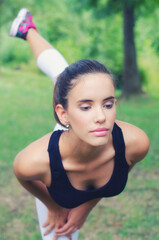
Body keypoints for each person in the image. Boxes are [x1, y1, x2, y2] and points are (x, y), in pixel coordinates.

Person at [10, 8, 150, 240]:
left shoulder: (135, 143)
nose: (101, 117)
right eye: (86, 107)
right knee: (66, 81)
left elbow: (113, 177)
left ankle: (26, 29)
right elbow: (23, 176)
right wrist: (53, 205)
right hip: (66, 145)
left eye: (108, 104)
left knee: (66, 79)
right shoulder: (34, 161)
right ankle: (28, 30)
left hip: (80, 131)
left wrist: (85, 207)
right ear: (63, 115)